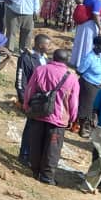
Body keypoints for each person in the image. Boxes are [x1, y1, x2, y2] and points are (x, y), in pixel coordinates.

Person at [23, 48, 79, 185]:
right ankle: (47, 176)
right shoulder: (72, 78)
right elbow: (73, 101)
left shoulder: (40, 70)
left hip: (38, 113)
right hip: (58, 119)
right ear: (67, 61)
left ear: (53, 57)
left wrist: (26, 105)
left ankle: (35, 170)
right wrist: (73, 118)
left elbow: (30, 89)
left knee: (36, 143)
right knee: (52, 148)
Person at [76, 36, 101, 137]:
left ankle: (89, 127)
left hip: (97, 85)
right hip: (88, 84)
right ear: (96, 45)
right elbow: (79, 71)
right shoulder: (89, 58)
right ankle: (83, 129)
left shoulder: (100, 55)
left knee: (94, 107)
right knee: (86, 107)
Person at [69, 0, 101, 69]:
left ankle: (76, 61)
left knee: (80, 43)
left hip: (82, 25)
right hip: (90, 26)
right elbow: (95, 15)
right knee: (88, 45)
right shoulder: (97, 1)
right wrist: (100, 27)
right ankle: (84, 64)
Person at [15, 33, 49, 105]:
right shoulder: (26, 58)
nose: (49, 48)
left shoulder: (45, 59)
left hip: (42, 96)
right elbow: (21, 79)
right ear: (40, 45)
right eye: (47, 45)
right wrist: (23, 99)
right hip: (31, 97)